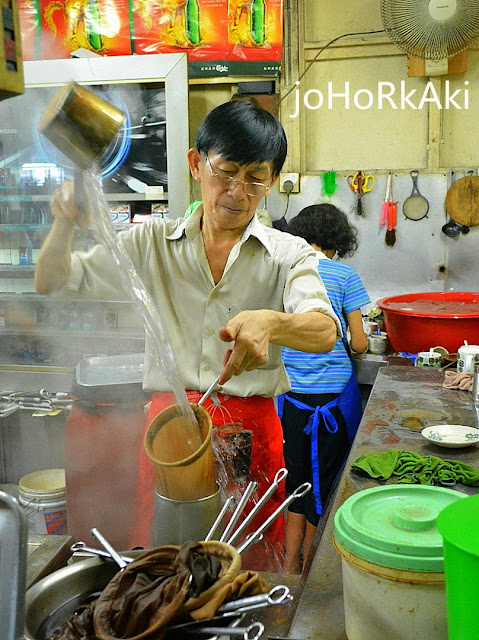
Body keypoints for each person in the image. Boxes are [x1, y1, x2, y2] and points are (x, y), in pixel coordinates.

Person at [34, 100, 341, 571]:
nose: (237, 192)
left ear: (272, 181)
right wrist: (62, 224)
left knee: (249, 571)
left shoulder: (288, 253)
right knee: (166, 563)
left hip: (251, 432)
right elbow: (52, 282)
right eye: (226, 172)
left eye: (255, 178)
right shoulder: (150, 243)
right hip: (171, 435)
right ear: (197, 164)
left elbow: (324, 329)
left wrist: (272, 322)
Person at [279, 203, 370, 574]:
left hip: (290, 401)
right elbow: (361, 343)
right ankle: (312, 573)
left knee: (293, 483)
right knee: (322, 489)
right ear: (337, 241)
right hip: (330, 404)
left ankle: (288, 567)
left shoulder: (285, 273)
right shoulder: (345, 275)